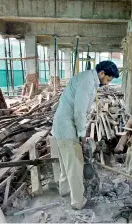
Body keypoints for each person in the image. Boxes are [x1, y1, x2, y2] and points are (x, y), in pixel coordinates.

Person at [51, 61, 119, 210]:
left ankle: (65, 190)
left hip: (61, 125)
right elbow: (79, 111)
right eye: (107, 79)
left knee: (65, 164)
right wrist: (82, 134)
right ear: (101, 73)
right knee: (75, 165)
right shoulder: (88, 81)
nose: (107, 84)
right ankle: (78, 201)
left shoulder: (87, 78)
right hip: (67, 127)